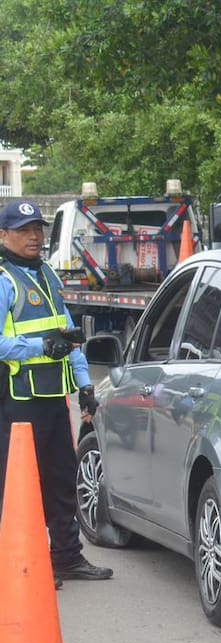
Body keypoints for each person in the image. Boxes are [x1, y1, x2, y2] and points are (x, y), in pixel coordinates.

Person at [0, 200, 113, 582]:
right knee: (19, 487)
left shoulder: (46, 274)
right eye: (23, 230)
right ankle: (21, 566)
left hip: (52, 399)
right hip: (16, 402)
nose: (34, 237)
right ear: (3, 236)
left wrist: (85, 387)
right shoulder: (4, 279)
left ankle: (66, 556)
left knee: (61, 480)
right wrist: (40, 347)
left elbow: (70, 337)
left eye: (37, 229)